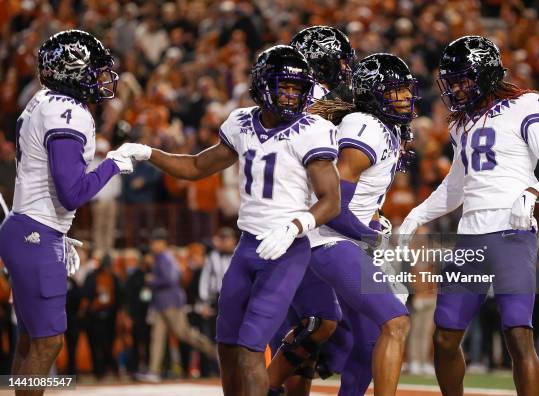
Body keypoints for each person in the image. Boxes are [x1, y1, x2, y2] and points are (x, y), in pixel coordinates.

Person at [116, 45, 341, 395]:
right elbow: (196, 166)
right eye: (285, 86)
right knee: (227, 342)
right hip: (247, 245)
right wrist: (149, 153)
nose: (292, 94)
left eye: (298, 88)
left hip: (286, 248)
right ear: (264, 85)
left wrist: (295, 226)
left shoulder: (313, 129)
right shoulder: (240, 122)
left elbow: (331, 201)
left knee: (251, 347)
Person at [399, 35, 539, 396]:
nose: (458, 87)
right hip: (471, 235)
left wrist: (533, 194)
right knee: (446, 337)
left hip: (511, 232)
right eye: (453, 80)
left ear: (485, 74)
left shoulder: (524, 105)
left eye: (464, 78)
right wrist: (417, 215)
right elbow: (457, 185)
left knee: (517, 333)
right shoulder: (461, 123)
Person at [268, 53, 417, 396]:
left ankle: (267, 386)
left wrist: (371, 224)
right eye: (396, 90)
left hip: (344, 242)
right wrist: (370, 235)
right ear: (374, 93)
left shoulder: (384, 128)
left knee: (367, 344)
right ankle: (265, 386)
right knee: (395, 322)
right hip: (330, 241)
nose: (406, 97)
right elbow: (333, 205)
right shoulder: (366, 125)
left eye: (407, 89)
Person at [0, 29, 132, 393]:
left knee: (30, 339)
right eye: (94, 69)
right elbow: (72, 193)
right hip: (36, 233)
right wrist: (114, 163)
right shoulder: (67, 111)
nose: (102, 78)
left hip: (26, 227)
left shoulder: (43, 102)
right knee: (48, 343)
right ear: (72, 71)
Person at [135, 228, 217, 383]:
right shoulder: (162, 257)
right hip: (162, 303)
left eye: (154, 241)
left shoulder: (165, 257)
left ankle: (215, 352)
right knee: (157, 337)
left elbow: (172, 279)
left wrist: (151, 280)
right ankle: (153, 371)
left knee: (184, 333)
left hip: (171, 302)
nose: (152, 244)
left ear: (162, 243)